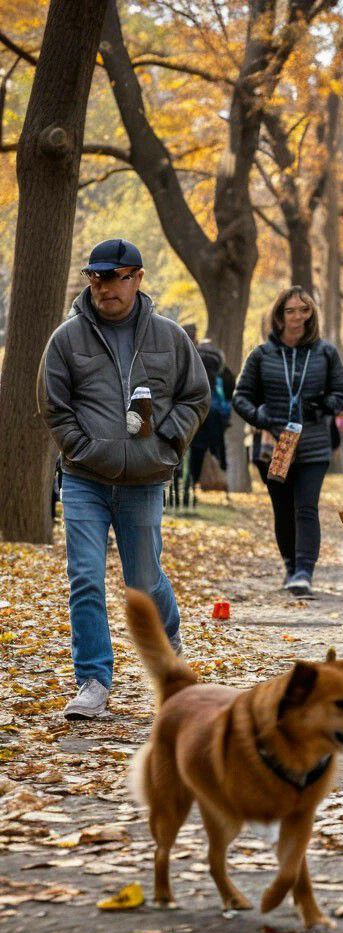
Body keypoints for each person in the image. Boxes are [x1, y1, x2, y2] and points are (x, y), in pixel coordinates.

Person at [37, 237, 210, 720]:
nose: (103, 286)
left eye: (113, 277)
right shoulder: (66, 339)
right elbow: (53, 405)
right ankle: (93, 681)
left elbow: (196, 396)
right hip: (84, 478)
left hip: (145, 480)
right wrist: (83, 448)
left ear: (136, 278)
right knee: (85, 577)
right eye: (95, 277)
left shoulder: (169, 337)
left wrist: (166, 441)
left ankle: (169, 636)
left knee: (143, 581)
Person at [233, 286, 343, 596]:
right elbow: (241, 397)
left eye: (304, 310)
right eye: (291, 310)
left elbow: (342, 393)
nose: (298, 316)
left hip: (313, 442)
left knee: (306, 507)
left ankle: (304, 572)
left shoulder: (325, 353)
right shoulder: (261, 355)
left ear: (312, 314)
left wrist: (323, 405)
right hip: (274, 444)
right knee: (283, 509)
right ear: (279, 316)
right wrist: (261, 417)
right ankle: (290, 566)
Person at [184, 340, 235, 505]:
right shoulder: (222, 369)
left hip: (197, 412)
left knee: (195, 452)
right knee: (219, 451)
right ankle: (225, 490)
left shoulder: (194, 361)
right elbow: (228, 394)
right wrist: (225, 418)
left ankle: (191, 488)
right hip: (215, 415)